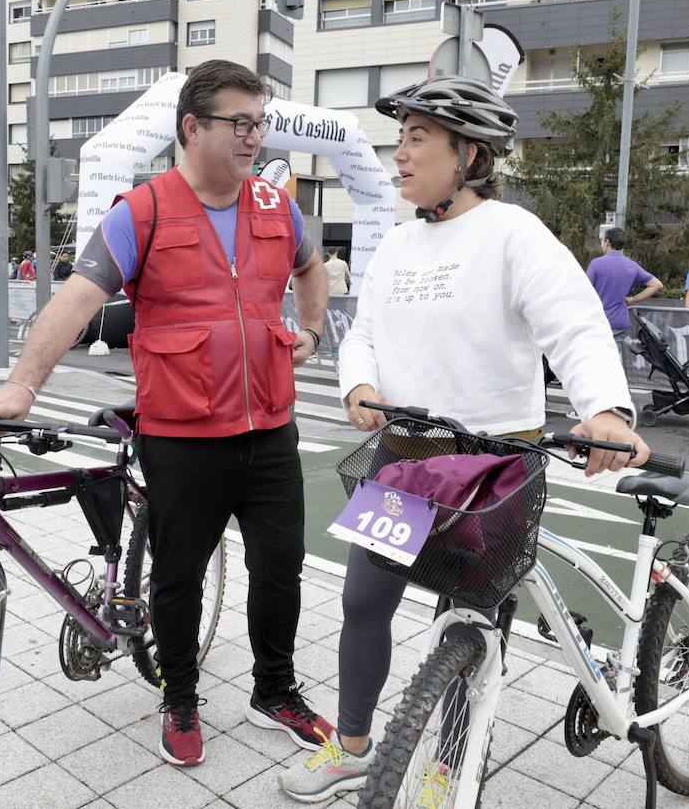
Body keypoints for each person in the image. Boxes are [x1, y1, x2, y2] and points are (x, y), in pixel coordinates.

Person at [0, 60, 333, 768]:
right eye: (240, 123)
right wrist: (22, 388)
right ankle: (180, 699)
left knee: (281, 568)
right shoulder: (144, 212)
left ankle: (274, 691)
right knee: (178, 577)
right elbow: (75, 299)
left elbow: (313, 269)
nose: (255, 137)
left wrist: (308, 335)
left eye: (261, 123)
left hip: (271, 429)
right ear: (193, 127)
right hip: (183, 436)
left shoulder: (276, 209)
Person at [277, 75, 646, 802]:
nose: (400, 155)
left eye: (417, 138)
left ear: (469, 153)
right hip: (406, 456)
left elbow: (574, 325)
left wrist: (606, 409)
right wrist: (358, 385)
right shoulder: (399, 242)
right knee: (363, 602)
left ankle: (446, 767)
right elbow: (369, 332)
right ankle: (353, 745)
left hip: (491, 465)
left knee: (468, 623)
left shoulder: (514, 234)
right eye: (400, 138)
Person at [586, 227, 663, 351]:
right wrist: (633, 299)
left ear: (607, 241)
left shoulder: (596, 264)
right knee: (615, 359)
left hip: (597, 321)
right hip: (618, 321)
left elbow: (585, 291)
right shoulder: (632, 266)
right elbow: (657, 285)